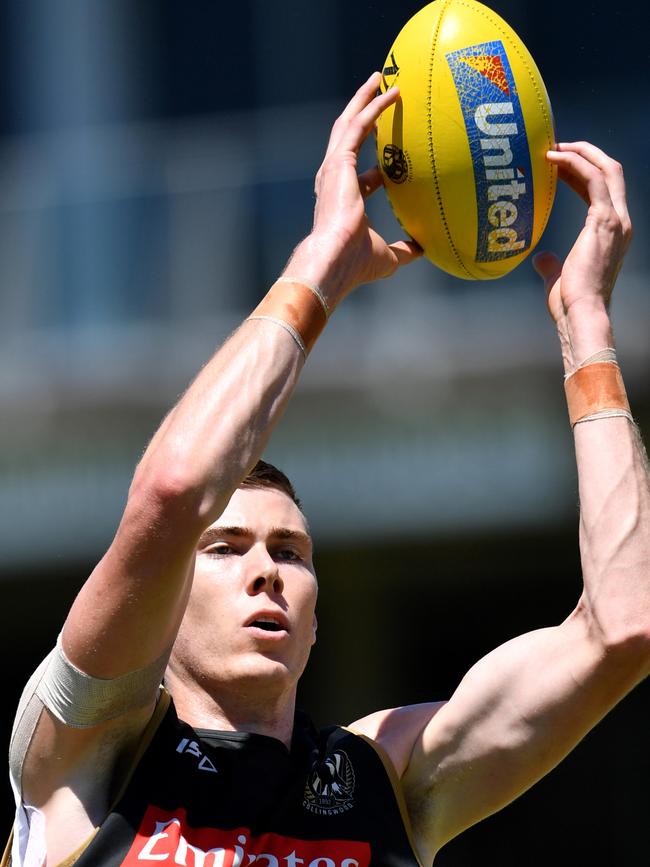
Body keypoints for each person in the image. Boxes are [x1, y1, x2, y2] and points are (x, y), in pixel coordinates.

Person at [3, 72, 648, 867]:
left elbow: (625, 626)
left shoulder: (386, 774)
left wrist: (586, 325)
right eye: (226, 547)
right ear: (160, 601)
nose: (267, 572)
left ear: (317, 620)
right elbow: (173, 492)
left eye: (291, 552)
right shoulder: (85, 754)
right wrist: (324, 265)